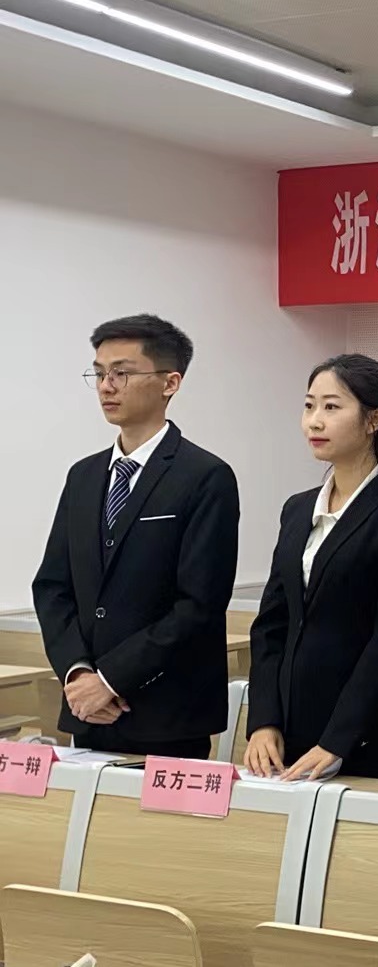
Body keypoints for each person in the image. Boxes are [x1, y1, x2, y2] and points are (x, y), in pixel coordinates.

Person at [33, 315, 240, 758]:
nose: (106, 386)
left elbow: (199, 605)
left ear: (170, 382)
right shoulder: (83, 476)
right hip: (88, 711)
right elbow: (52, 587)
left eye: (122, 373)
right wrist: (77, 673)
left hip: (167, 715)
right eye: (99, 373)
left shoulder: (205, 476)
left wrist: (110, 680)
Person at [243, 355, 378, 781]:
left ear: (374, 420)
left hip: (369, 742)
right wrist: (263, 721)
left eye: (332, 407)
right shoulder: (297, 509)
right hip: (288, 740)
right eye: (309, 406)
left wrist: (338, 740)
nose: (314, 421)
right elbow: (272, 625)